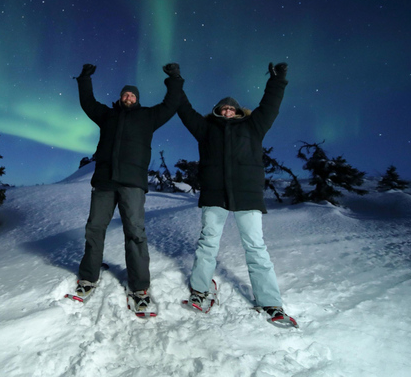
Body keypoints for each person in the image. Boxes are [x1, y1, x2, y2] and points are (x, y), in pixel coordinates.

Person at [177, 62, 297, 327]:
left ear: (239, 111)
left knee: (255, 247)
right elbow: (184, 110)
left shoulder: (254, 126)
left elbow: (270, 105)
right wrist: (175, 81)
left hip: (247, 195)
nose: (228, 111)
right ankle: (200, 290)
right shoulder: (206, 130)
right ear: (218, 112)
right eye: (223, 109)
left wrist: (277, 81)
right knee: (208, 243)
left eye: (232, 108)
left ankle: (270, 303)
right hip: (215, 195)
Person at [71, 62, 183, 314]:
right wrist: (84, 79)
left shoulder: (148, 117)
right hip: (105, 181)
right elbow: (88, 103)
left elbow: (171, 104)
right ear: (120, 98)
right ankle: (88, 277)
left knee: (135, 231)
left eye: (132, 94)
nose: (128, 97)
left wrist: (174, 79)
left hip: (132, 183)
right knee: (95, 228)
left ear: (137, 99)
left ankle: (139, 287)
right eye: (125, 94)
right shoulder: (107, 116)